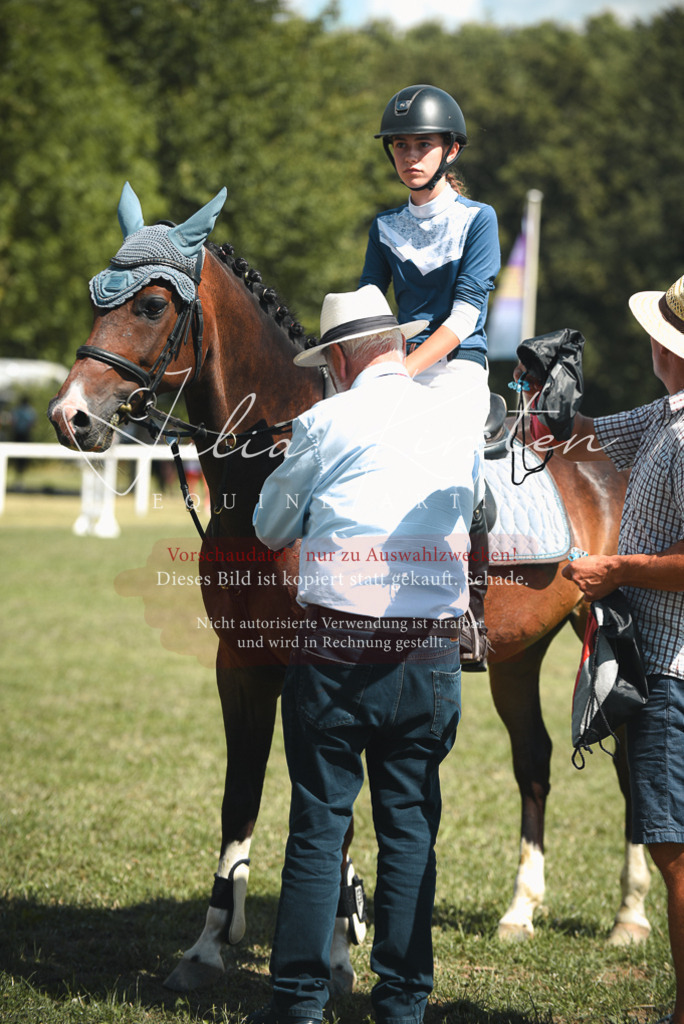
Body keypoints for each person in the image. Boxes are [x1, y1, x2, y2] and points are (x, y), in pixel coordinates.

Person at [251, 285, 476, 1024]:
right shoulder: (453, 416)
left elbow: (269, 525)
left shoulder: (325, 418)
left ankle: (299, 1003)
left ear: (342, 357)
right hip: (430, 653)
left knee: (319, 823)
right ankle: (404, 1002)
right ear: (395, 345)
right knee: (409, 826)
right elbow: (477, 504)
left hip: (337, 655)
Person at [517, 273, 684, 1024]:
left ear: (665, 343)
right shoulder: (664, 416)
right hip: (661, 666)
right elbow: (584, 438)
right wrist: (547, 403)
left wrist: (614, 568)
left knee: (676, 854)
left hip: (676, 672)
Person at [359, 83, 501, 670]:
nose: (410, 157)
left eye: (424, 145)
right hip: (396, 366)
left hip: (458, 367)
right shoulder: (384, 227)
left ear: (452, 150)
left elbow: (466, 315)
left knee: (450, 460)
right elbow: (367, 307)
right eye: (400, 147)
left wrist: (401, 370)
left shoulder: (480, 220)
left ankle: (466, 607)